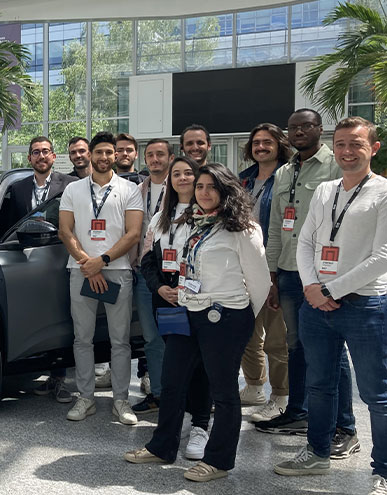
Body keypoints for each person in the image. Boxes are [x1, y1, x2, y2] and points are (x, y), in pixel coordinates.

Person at [125, 163, 271, 483]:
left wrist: (241, 318)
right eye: (200, 186)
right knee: (173, 381)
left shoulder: (243, 229)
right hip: (188, 311)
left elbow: (260, 282)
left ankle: (218, 461)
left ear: (226, 189)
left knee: (223, 391)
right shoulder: (193, 222)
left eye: (211, 187)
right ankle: (162, 446)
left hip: (225, 316)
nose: (204, 192)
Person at [274, 117, 387, 495]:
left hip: (365, 306)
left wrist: (331, 290)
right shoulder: (325, 190)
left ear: (373, 148)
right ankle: (317, 452)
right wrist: (312, 287)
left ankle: (383, 470)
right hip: (317, 306)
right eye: (340, 144)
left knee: (377, 395)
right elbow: (306, 241)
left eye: (356, 144)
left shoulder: (383, 192)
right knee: (320, 386)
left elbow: (383, 255)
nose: (347, 151)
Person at [256, 109, 358, 461]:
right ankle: (297, 412)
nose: (299, 132)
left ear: (319, 129)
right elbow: (275, 226)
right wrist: (271, 274)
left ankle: (345, 428)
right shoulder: (285, 171)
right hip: (287, 271)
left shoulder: (334, 166)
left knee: (332, 351)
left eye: (306, 126)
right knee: (295, 345)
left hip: (322, 276)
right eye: (293, 128)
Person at [58, 131, 143, 425]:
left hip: (117, 270)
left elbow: (133, 233)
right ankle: (86, 398)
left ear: (116, 155)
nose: (104, 157)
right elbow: (65, 231)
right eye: (99, 152)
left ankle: (121, 400)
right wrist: (88, 263)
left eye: (109, 152)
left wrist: (102, 261)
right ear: (91, 155)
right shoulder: (73, 189)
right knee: (82, 338)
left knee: (120, 340)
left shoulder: (129, 189)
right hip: (80, 269)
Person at [135, 157, 212, 462]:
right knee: (175, 366)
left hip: (198, 299)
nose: (182, 178)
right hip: (166, 300)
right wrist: (159, 288)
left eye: (188, 173)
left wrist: (186, 289)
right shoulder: (160, 217)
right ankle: (174, 428)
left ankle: (201, 425)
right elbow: (147, 260)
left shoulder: (208, 214)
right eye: (176, 173)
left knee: (200, 366)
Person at [6, 136, 76, 403]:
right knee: (37, 318)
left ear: (53, 156)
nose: (41, 156)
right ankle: (36, 372)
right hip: (27, 262)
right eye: (36, 152)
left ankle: (59, 378)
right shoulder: (18, 188)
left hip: (59, 258)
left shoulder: (70, 184)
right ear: (29, 158)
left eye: (46, 151)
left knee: (61, 317)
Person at [238, 123, 292, 422]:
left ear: (279, 145)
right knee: (247, 332)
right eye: (256, 142)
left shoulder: (287, 176)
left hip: (275, 266)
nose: (261, 146)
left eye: (267, 141)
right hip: (244, 266)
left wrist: (274, 271)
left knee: (275, 338)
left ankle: (280, 396)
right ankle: (254, 387)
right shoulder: (244, 179)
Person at [130, 139, 174, 415]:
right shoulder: (137, 191)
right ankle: (158, 393)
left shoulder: (181, 187)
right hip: (144, 275)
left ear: (171, 158)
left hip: (174, 276)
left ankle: (188, 394)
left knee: (181, 338)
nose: (155, 159)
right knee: (152, 339)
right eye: (150, 155)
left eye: (160, 154)